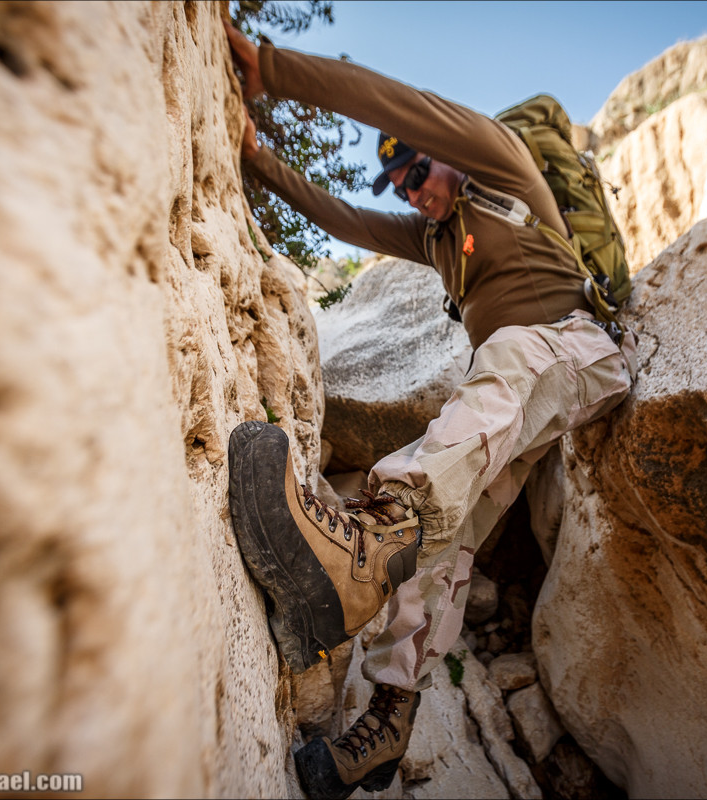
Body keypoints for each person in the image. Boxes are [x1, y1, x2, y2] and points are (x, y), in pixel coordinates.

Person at [222, 20, 636, 800]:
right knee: (442, 546)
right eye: (403, 185)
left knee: (507, 360)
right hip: (525, 394)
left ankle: (364, 544)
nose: (413, 190)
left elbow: (402, 104)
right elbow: (342, 219)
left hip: (580, 348)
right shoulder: (436, 239)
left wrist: (274, 69)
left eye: (417, 170)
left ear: (447, 156)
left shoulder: (503, 170)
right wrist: (256, 159)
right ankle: (386, 725)